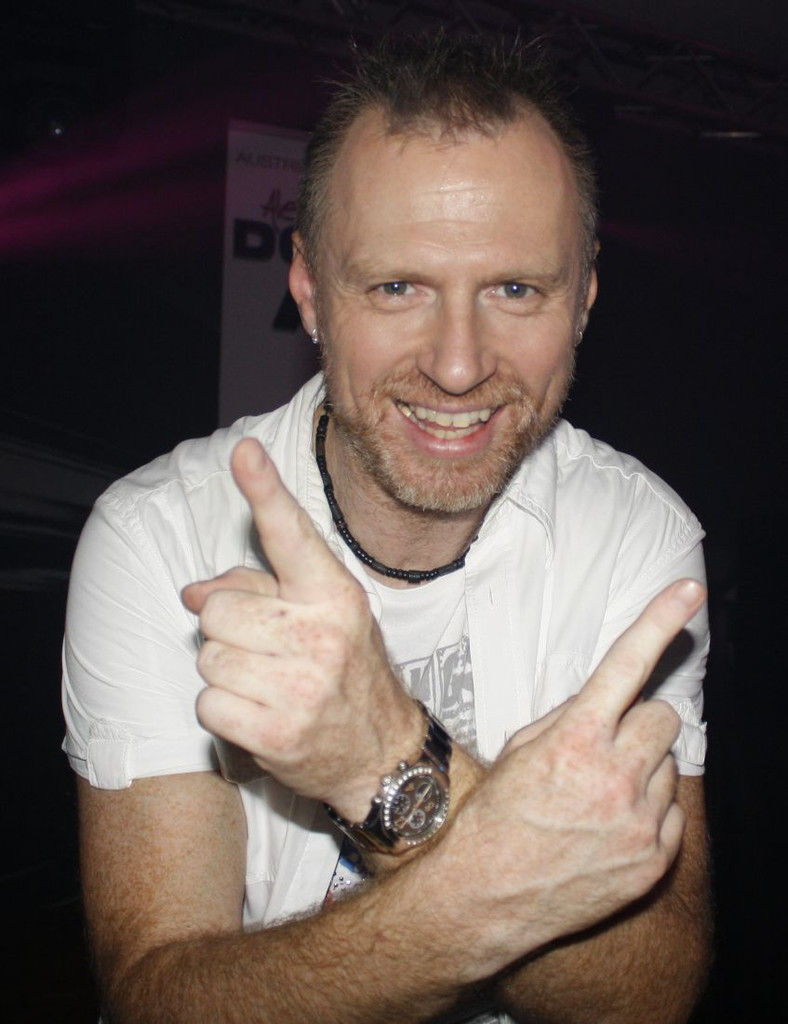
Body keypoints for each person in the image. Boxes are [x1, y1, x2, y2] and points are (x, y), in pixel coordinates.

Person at [63, 34, 711, 1024]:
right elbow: (160, 997)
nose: (457, 364)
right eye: (396, 287)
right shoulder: (160, 536)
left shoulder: (634, 537)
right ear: (309, 290)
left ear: (582, 299)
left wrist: (381, 759)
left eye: (515, 289)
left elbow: (645, 995)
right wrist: (495, 854)